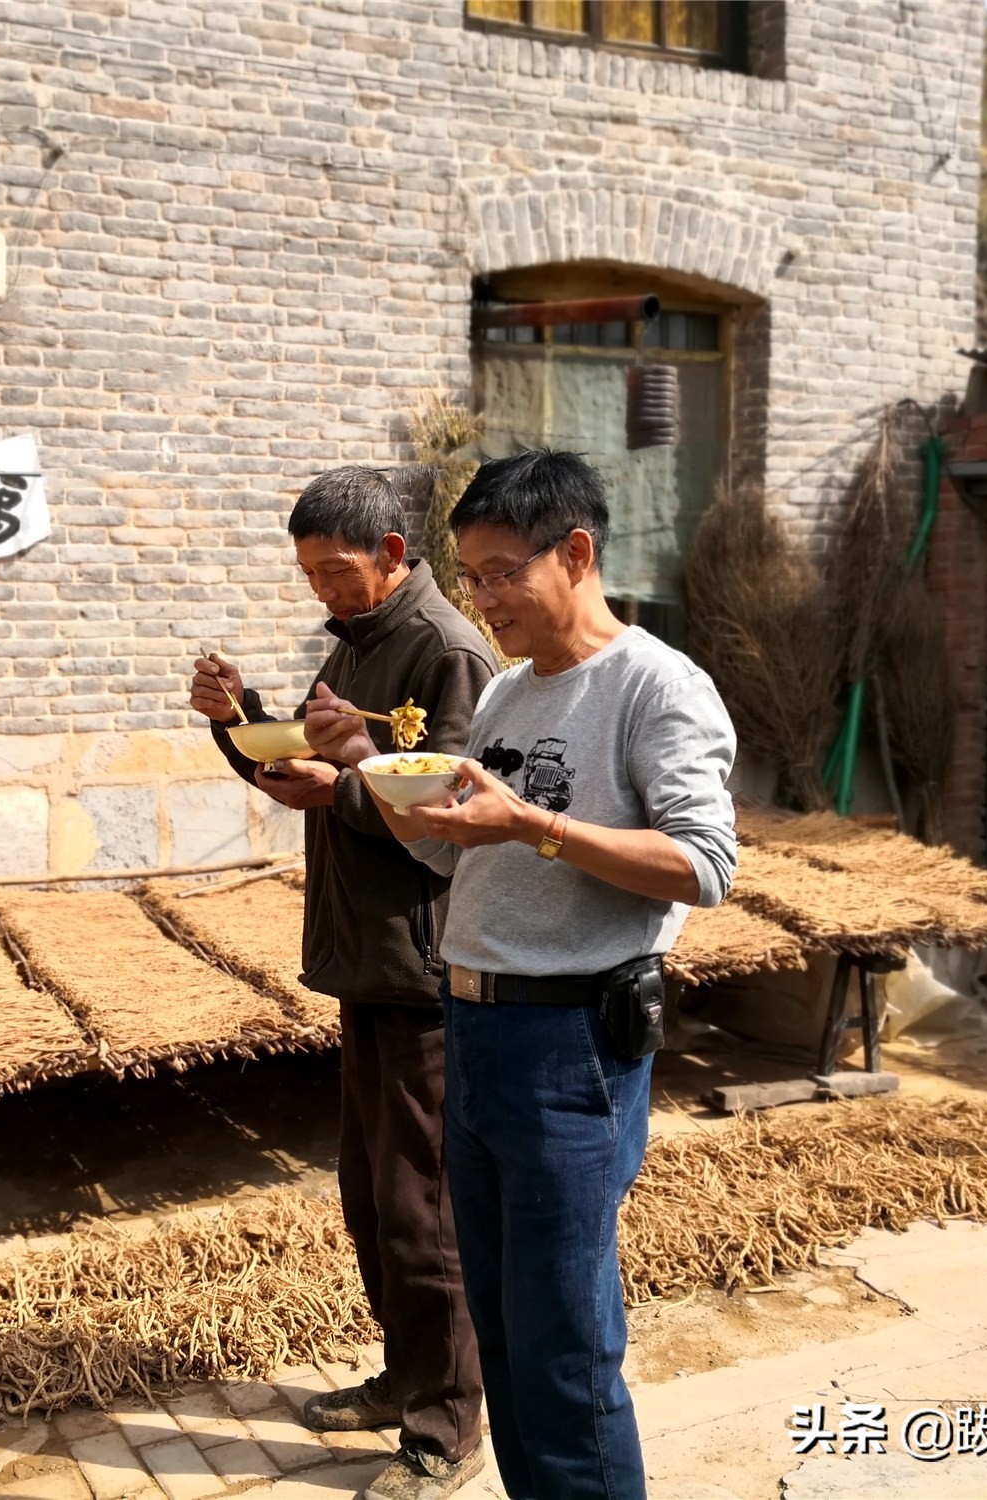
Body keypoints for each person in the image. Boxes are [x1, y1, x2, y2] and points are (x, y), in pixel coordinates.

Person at [305, 449, 737, 1500]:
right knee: (500, 1327)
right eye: (472, 576)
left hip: (570, 1045)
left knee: (562, 1345)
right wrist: (361, 767)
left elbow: (704, 864)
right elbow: (450, 849)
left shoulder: (655, 686)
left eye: (502, 574)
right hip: (475, 1025)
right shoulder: (504, 694)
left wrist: (534, 825)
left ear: (575, 553)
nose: (484, 599)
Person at [190, 467, 498, 1500]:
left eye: (335, 570)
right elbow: (309, 770)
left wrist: (345, 788)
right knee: (370, 1198)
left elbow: (452, 813)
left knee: (424, 1210)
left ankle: (445, 1428)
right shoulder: (360, 641)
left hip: (423, 968)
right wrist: (238, 719)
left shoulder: (446, 651)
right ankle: (406, 1377)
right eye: (309, 574)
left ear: (392, 555)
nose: (321, 589)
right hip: (366, 960)